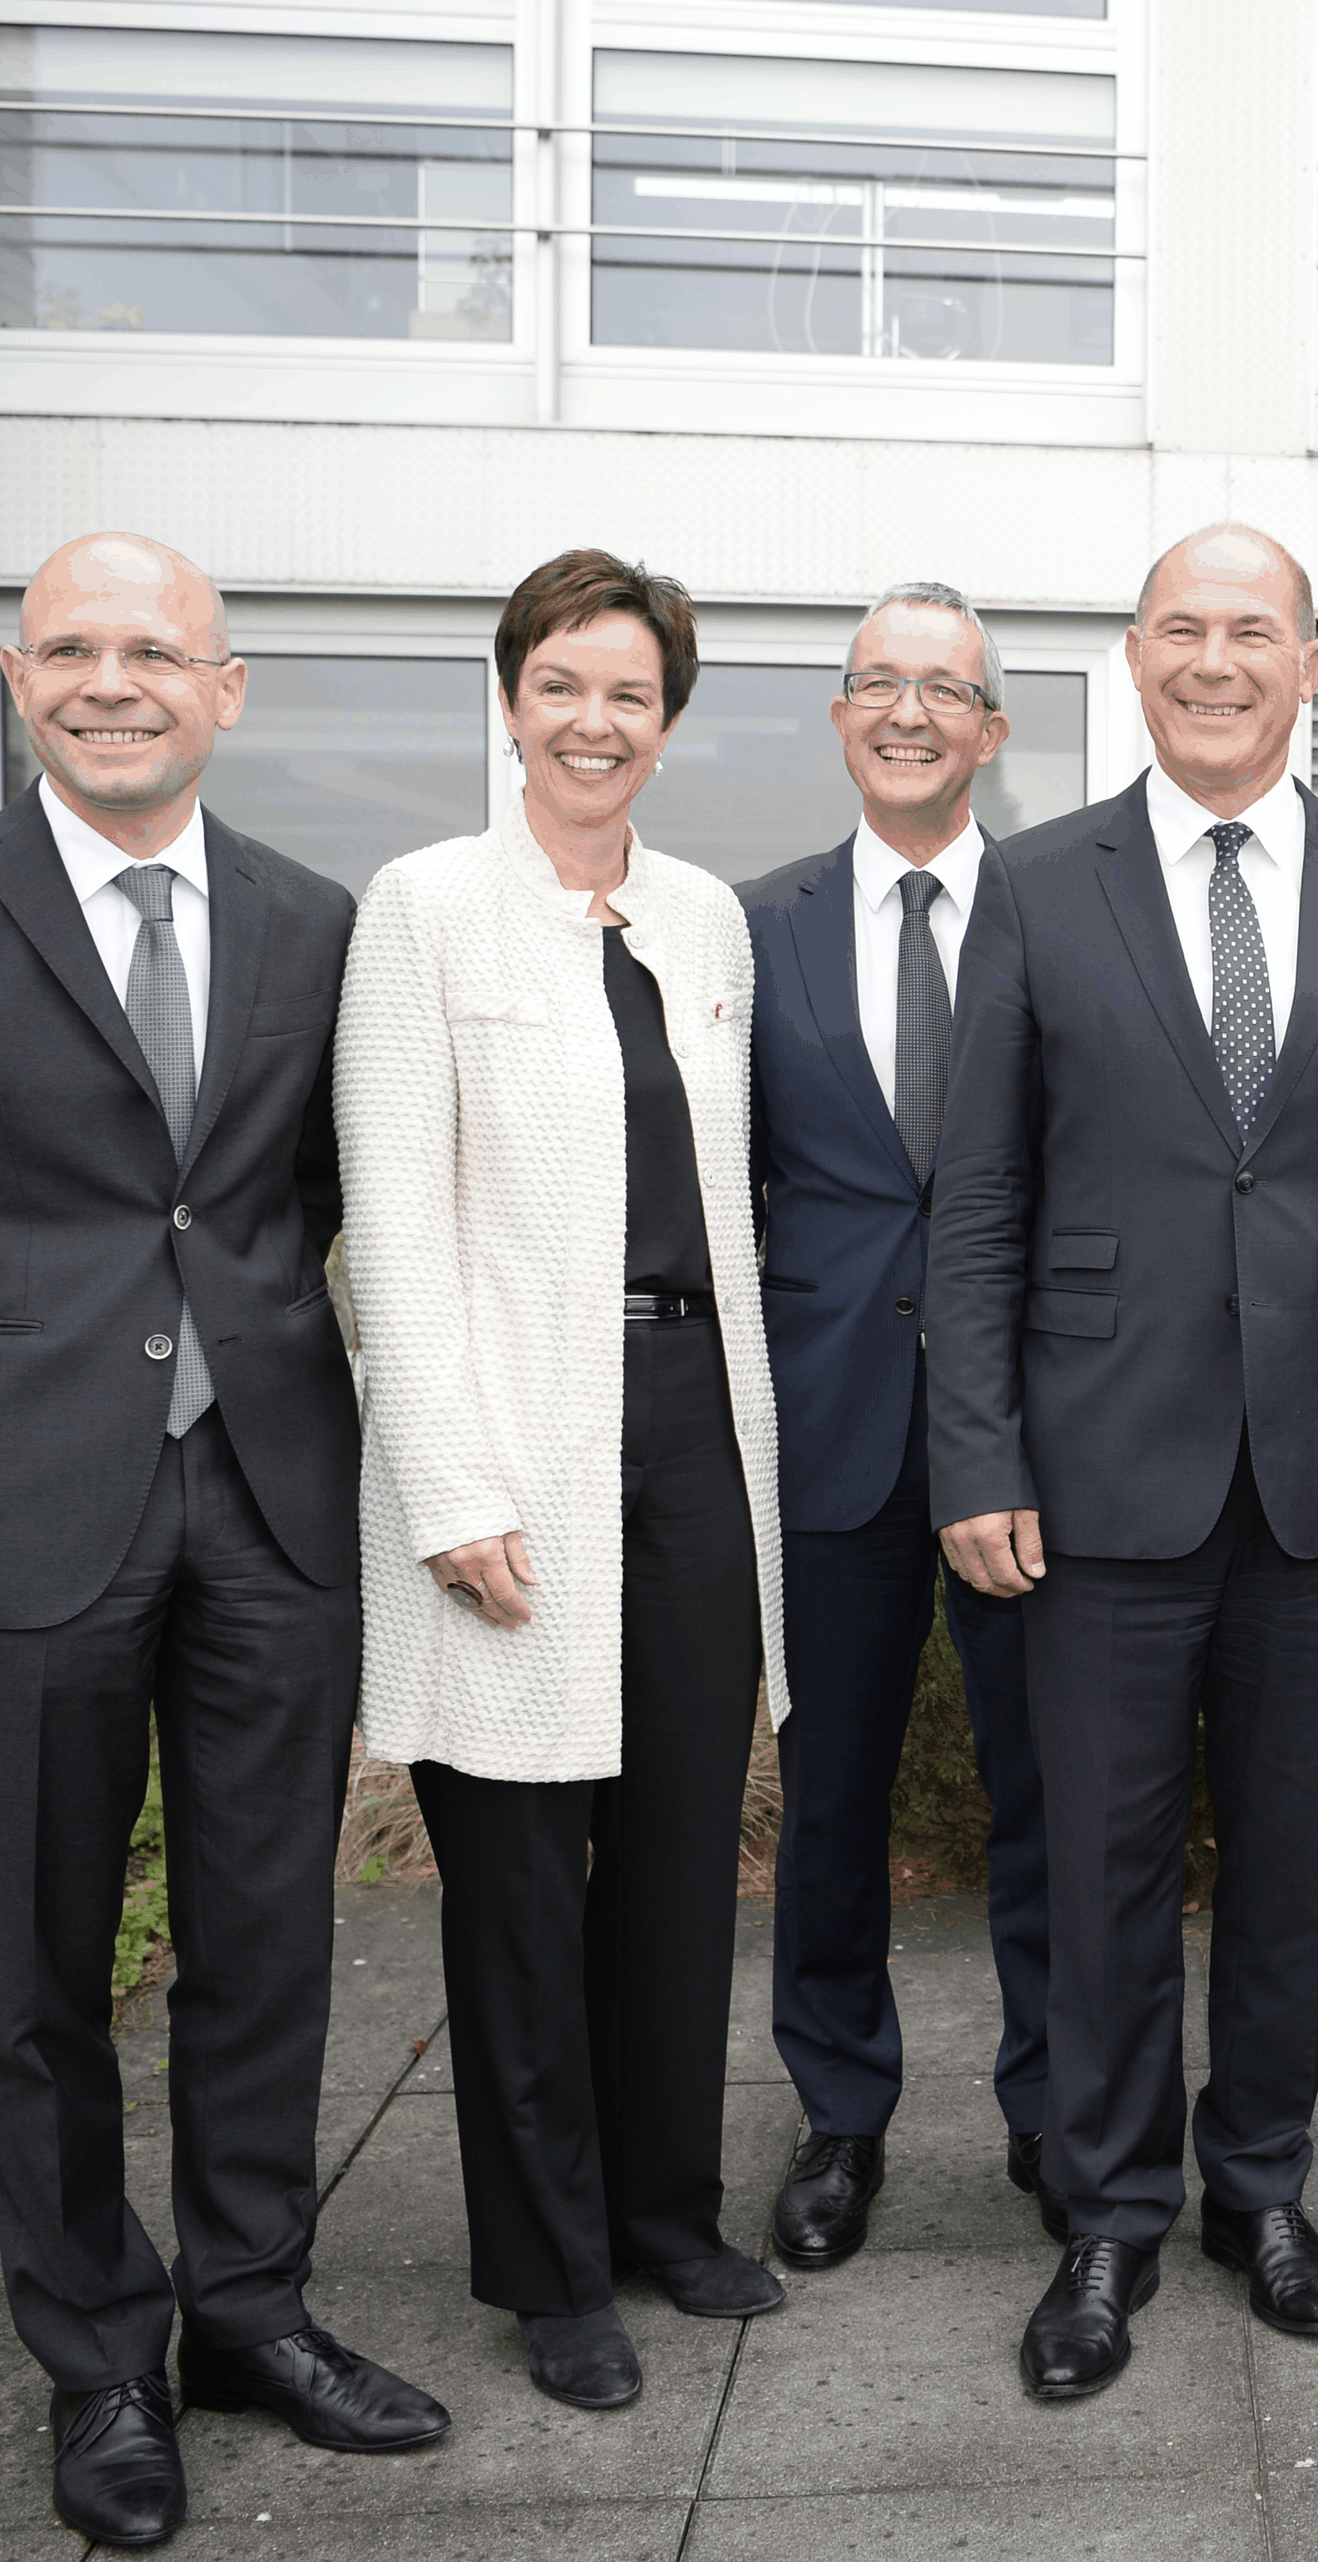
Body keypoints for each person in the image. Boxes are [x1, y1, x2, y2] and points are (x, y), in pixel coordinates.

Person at [0, 533, 445, 2549]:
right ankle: (97, 2357)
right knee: (45, 1972)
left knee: (265, 1943)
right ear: (15, 677)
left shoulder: (315, 923)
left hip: (263, 1498)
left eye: (153, 648)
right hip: (23, 1511)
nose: (112, 678)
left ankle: (249, 2308)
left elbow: (329, 1196)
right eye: (71, 647)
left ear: (222, 687)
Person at [929, 521, 1318, 2400]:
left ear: (1312, 663)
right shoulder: (1035, 884)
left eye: (1249, 632)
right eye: (1182, 629)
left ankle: (1258, 2185)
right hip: (1096, 1473)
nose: (1214, 661)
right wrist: (976, 1451)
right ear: (1132, 653)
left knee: (1285, 1861)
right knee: (1099, 1863)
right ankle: (1109, 2214)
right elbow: (979, 1205)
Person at [336, 550, 787, 2414]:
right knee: (521, 1874)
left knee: (682, 1853)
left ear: (668, 727)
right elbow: (394, 1217)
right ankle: (550, 2262)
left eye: (632, 694)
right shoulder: (423, 908)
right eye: (563, 685)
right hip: (517, 1426)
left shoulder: (703, 918)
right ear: (511, 700)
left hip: (694, 1413)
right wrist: (447, 1482)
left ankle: (667, 2214)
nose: (595, 721)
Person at [743, 583, 1053, 2268]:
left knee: (1050, 1795)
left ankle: (1054, 2105)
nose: (913, 710)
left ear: (992, 730)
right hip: (831, 1426)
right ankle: (840, 2112)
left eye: (947, 688)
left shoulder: (1072, 911)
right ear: (844, 716)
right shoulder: (754, 924)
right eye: (882, 683)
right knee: (835, 1796)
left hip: (1029, 1434)